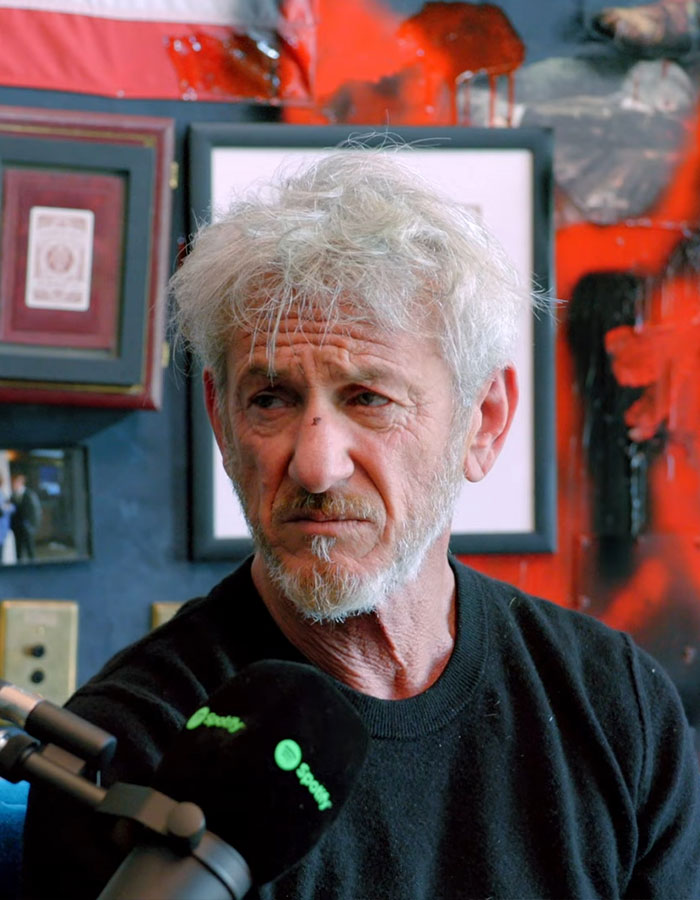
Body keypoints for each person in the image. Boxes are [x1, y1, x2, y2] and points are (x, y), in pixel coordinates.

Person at [22, 150, 700, 899]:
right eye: (271, 399)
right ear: (220, 419)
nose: (316, 466)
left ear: (484, 422)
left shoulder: (613, 706)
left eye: (369, 398)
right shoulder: (134, 756)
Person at [9, 472, 41, 562]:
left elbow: (35, 512)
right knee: (18, 551)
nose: (13, 485)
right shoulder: (13, 496)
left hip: (27, 528)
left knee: (30, 550)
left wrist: (32, 526)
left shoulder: (29, 495)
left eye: (15, 482)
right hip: (17, 528)